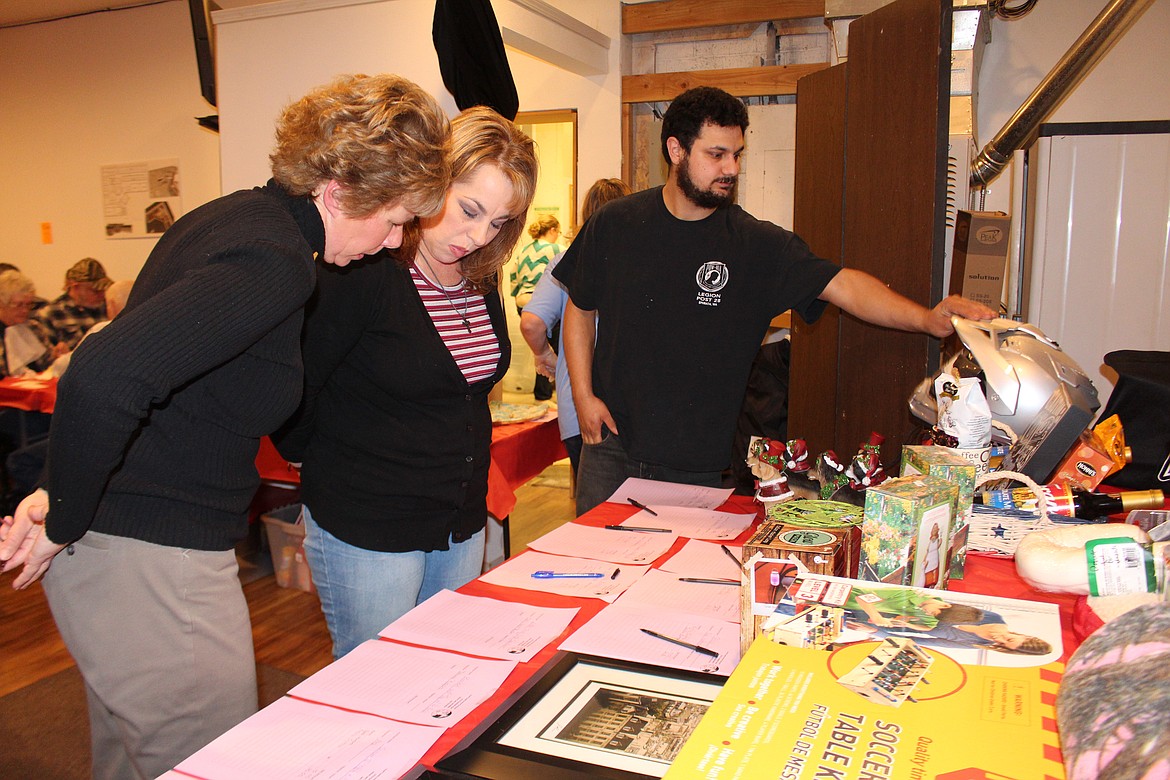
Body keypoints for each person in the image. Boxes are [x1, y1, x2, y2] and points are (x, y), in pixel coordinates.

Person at [0, 73, 451, 780]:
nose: (395, 242)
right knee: (213, 764)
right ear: (337, 192)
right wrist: (60, 511)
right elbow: (104, 372)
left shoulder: (231, 219)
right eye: (393, 219)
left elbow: (136, 373)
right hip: (154, 558)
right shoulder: (274, 262)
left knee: (133, 760)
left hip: (127, 549)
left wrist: (61, 494)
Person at [552, 86, 998, 516]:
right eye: (716, 154)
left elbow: (845, 286)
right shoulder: (616, 223)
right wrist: (584, 397)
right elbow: (580, 307)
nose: (731, 168)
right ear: (675, 150)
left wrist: (927, 318)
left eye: (737, 154)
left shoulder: (754, 245)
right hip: (611, 450)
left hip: (699, 468)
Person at [274, 107, 537, 660]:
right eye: (468, 210)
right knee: (376, 680)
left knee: (442, 671)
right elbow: (298, 387)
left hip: (459, 520)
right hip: (369, 525)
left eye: (498, 222)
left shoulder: (477, 277)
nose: (476, 235)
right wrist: (324, 465)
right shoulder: (368, 266)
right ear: (432, 182)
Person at [520, 178, 631, 474]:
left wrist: (543, 354)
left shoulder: (565, 261)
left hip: (578, 410)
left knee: (593, 512)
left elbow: (531, 322)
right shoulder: (639, 264)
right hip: (631, 408)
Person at [511, 214, 561, 400]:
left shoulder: (523, 250)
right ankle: (549, 396)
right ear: (553, 230)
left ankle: (541, 395)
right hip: (544, 304)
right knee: (560, 350)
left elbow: (514, 280)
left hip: (523, 304)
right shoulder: (556, 248)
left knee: (541, 349)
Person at [30, 257, 112, 355]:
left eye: (103, 290)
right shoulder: (50, 314)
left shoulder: (108, 307)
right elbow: (46, 357)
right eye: (95, 291)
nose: (102, 294)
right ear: (76, 287)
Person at [0, 270, 53, 377]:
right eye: (19, 305)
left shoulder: (34, 328)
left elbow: (48, 366)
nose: (25, 310)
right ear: (1, 304)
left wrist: (57, 355)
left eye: (28, 304)